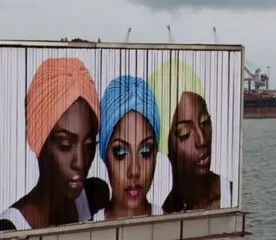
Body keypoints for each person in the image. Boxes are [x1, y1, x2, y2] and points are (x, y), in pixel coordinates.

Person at [0, 57, 107, 231]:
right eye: (65, 144)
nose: (80, 162)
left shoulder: (96, 197)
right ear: (37, 140)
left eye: (88, 144)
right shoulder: (9, 228)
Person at [148, 59, 229, 213]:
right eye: (185, 133)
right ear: (164, 144)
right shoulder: (164, 213)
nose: (202, 141)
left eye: (205, 121)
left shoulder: (229, 196)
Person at [94, 75, 162, 220]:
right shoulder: (86, 236)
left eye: (145, 151)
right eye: (121, 153)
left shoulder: (174, 228)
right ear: (104, 154)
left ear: (156, 153)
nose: (134, 171)